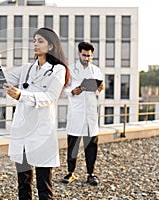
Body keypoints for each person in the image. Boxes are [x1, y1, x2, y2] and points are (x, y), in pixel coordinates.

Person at [3, 28, 70, 199]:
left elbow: (50, 96)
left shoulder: (58, 70)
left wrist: (21, 95)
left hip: (41, 131)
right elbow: (2, 77)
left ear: (51, 46)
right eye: (34, 40)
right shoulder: (27, 68)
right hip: (23, 130)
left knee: (44, 185)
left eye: (40, 41)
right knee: (23, 184)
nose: (35, 44)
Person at [62, 41, 104, 186]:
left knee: (91, 145)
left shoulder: (96, 70)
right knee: (73, 145)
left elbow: (98, 90)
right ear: (79, 53)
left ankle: (91, 174)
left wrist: (100, 87)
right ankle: (70, 172)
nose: (86, 58)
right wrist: (73, 91)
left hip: (91, 113)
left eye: (89, 56)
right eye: (84, 55)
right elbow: (63, 89)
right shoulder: (70, 69)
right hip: (76, 112)